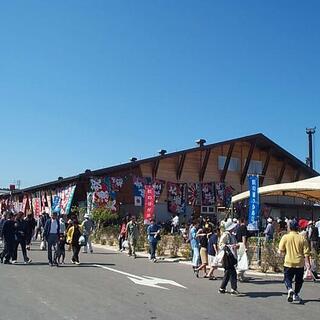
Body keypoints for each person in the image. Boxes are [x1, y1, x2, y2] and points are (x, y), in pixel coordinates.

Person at [278, 219, 311, 303]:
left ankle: (289, 289)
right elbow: (306, 253)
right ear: (298, 228)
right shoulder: (302, 238)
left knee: (287, 278)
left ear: (289, 227)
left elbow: (281, 250)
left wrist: (281, 258)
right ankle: (296, 294)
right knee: (299, 280)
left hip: (288, 262)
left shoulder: (285, 237)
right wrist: (308, 264)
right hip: (299, 263)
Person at [218, 218, 239, 295]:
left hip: (230, 255)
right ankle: (233, 289)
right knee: (232, 272)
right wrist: (230, 246)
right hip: (228, 255)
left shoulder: (231, 235)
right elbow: (221, 245)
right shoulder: (226, 235)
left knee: (227, 272)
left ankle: (222, 288)